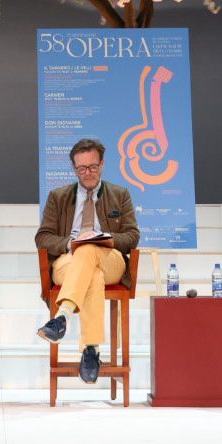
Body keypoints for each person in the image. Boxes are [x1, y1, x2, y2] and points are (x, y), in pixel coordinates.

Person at [33, 138, 140, 383]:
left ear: (102, 164)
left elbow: (132, 236)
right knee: (92, 272)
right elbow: (43, 237)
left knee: (90, 248)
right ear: (74, 169)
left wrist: (104, 239)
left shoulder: (119, 194)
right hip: (69, 260)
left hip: (110, 258)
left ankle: (62, 316)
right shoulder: (58, 197)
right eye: (81, 168)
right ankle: (91, 349)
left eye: (92, 167)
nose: (87, 173)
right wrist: (71, 243)